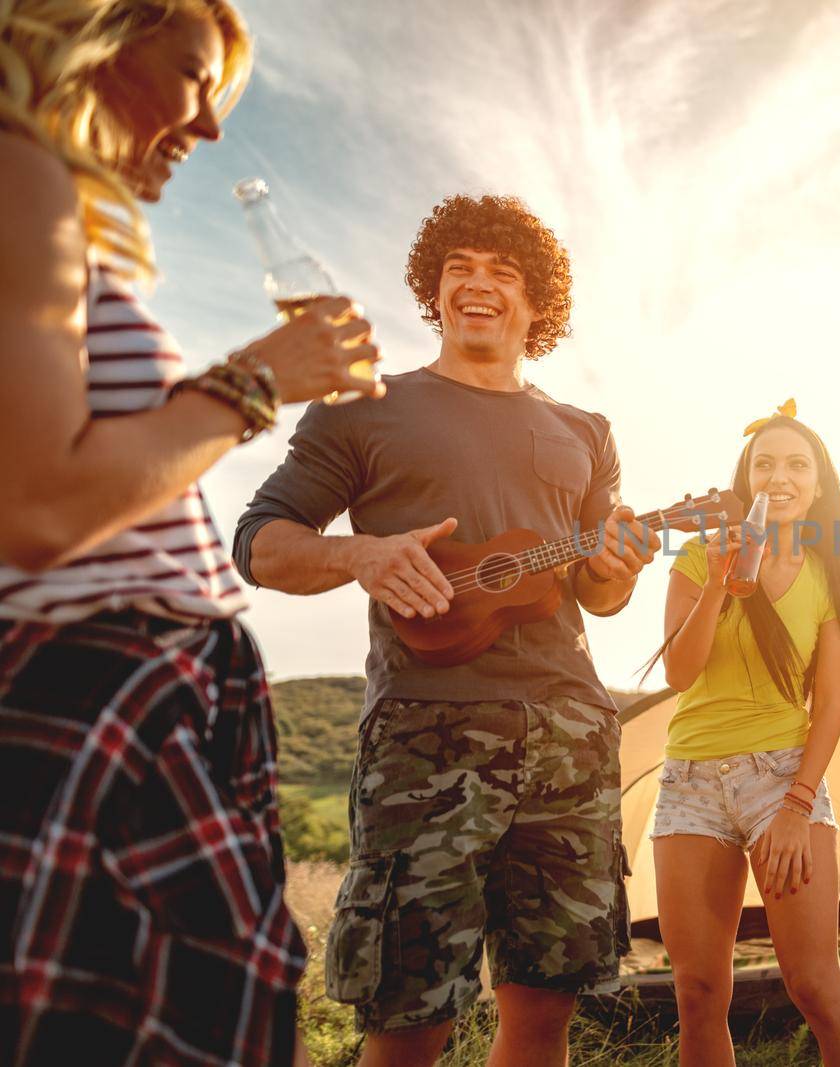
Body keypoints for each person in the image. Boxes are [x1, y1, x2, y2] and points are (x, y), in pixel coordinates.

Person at [0, 2, 381, 1063]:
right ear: (93, 33)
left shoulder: (51, 202)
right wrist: (259, 380)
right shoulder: (16, 172)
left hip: (161, 684)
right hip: (100, 683)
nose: (211, 128)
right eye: (195, 79)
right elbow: (34, 507)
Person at [234, 193, 658, 1067]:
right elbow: (260, 542)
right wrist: (362, 556)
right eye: (458, 268)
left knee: (545, 1004)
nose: (478, 283)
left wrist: (616, 570)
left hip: (571, 735)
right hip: (426, 732)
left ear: (538, 304)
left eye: (503, 272)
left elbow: (597, 591)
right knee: (406, 1015)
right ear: (434, 292)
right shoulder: (363, 408)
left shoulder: (587, 430)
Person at [648, 402, 840, 1067]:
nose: (780, 476)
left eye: (798, 463)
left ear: (819, 483)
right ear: (745, 477)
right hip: (691, 778)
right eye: (764, 463)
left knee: (815, 983)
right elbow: (681, 671)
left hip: (783, 775)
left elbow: (830, 704)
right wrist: (717, 580)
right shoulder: (697, 552)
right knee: (698, 990)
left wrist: (797, 803)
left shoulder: (831, 576)